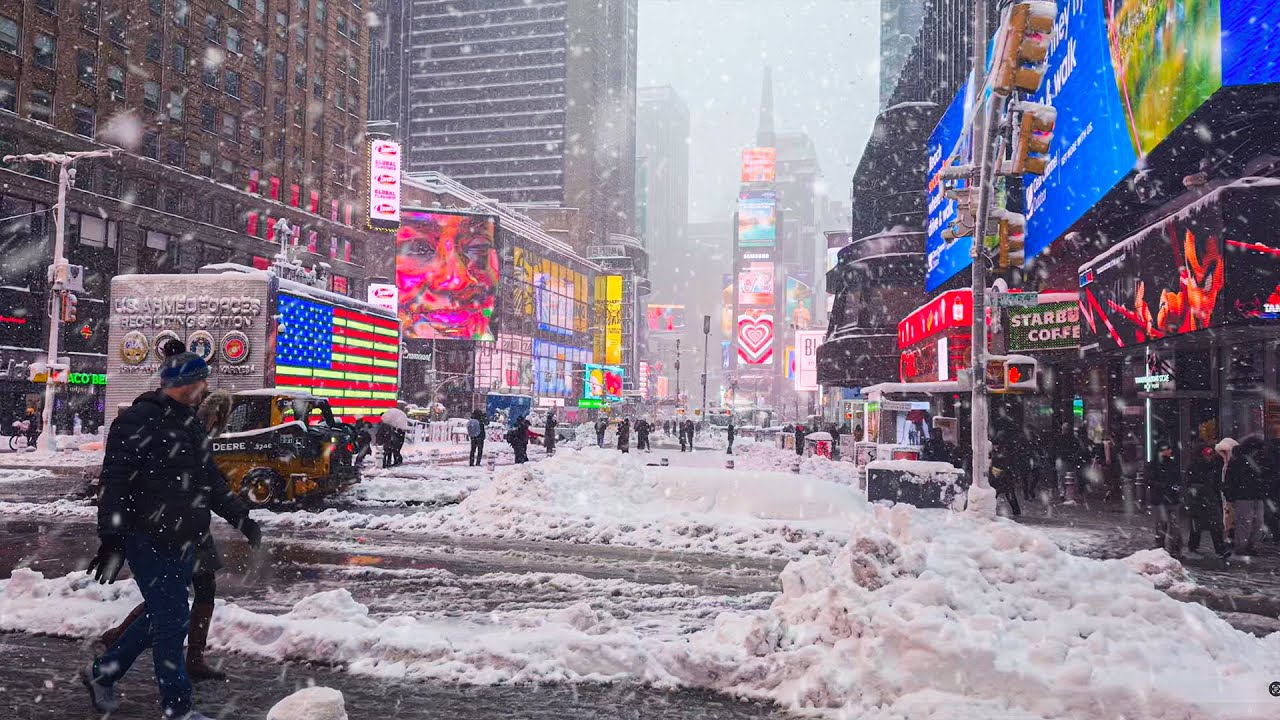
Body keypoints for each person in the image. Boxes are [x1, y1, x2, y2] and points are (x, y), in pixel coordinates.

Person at [83, 352, 262, 720]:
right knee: (171, 620)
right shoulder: (136, 420)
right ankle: (177, 709)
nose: (206, 388)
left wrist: (241, 518)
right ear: (187, 383)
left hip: (185, 537)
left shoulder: (190, 425)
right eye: (202, 381)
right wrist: (112, 539)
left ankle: (103, 673)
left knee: (164, 615)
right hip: (146, 536)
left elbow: (209, 481)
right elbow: (114, 484)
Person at [1225, 435, 1269, 555]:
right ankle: (1246, 546)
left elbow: (1230, 479)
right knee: (1252, 521)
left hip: (1247, 494)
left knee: (1248, 522)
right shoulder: (1247, 460)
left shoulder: (1238, 460)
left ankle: (1245, 546)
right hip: (1248, 494)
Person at [1185, 442, 1227, 558]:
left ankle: (1196, 546)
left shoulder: (1210, 466)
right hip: (1203, 498)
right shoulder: (1201, 466)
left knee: (1203, 525)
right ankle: (1218, 548)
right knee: (1206, 524)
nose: (1209, 456)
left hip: (1207, 498)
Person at [1147, 440, 1182, 557]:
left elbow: (1178, 479)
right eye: (1167, 449)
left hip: (1168, 498)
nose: (1169, 452)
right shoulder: (1156, 464)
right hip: (1162, 499)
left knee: (1171, 525)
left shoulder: (1171, 464)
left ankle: (1171, 547)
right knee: (1163, 524)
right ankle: (1164, 547)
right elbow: (1151, 480)